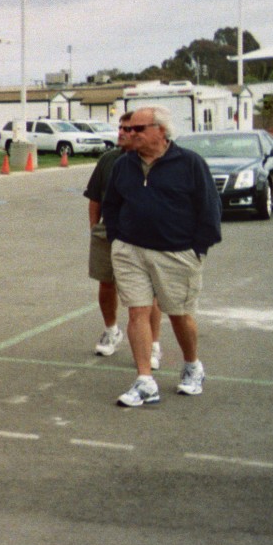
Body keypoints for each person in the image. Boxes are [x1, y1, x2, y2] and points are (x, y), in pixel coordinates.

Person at [102, 106, 221, 408]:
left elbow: (209, 211)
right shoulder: (122, 165)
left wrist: (197, 250)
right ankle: (145, 381)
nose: (129, 134)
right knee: (137, 312)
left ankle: (192, 365)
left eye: (138, 129)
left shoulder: (190, 163)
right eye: (128, 129)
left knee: (179, 314)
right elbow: (111, 205)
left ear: (161, 131)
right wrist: (118, 240)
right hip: (130, 251)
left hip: (177, 253)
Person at [83, 115, 162, 366]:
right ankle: (111, 330)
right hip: (109, 232)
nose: (121, 132)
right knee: (106, 283)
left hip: (144, 234)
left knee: (148, 294)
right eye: (120, 128)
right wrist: (96, 228)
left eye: (128, 129)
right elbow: (95, 198)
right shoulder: (109, 160)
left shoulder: (154, 162)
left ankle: (153, 345)